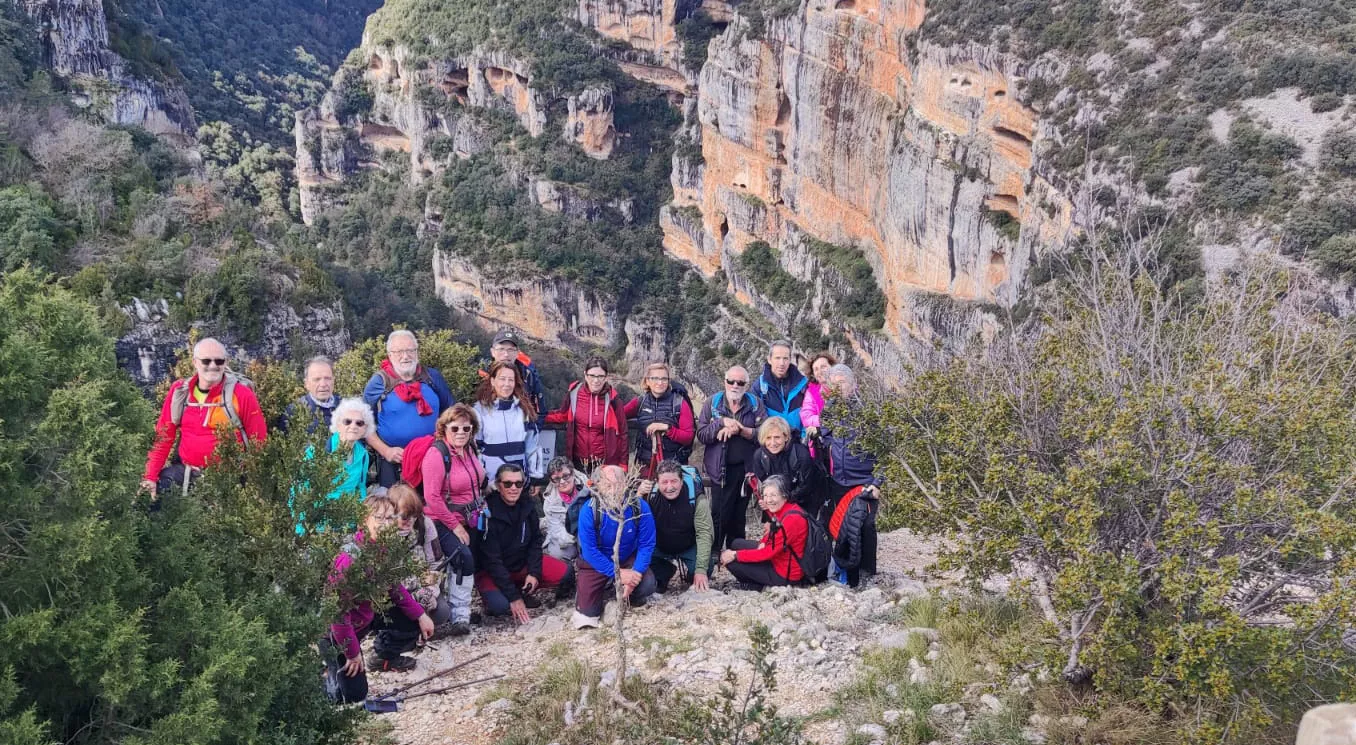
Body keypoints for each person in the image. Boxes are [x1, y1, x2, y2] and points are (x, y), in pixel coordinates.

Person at [324, 494, 436, 702]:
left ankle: (385, 656)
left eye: (389, 518)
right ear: (363, 522)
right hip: (336, 632)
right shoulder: (348, 559)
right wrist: (352, 652)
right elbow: (337, 615)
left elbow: (395, 589)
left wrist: (420, 615)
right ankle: (325, 672)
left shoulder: (381, 549)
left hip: (364, 618)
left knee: (413, 621)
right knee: (353, 696)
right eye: (379, 518)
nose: (385, 524)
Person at [141, 337, 268, 501]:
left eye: (219, 361)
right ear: (195, 362)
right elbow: (164, 436)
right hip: (186, 473)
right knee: (158, 499)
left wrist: (256, 485)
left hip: (228, 479)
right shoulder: (180, 392)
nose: (213, 366)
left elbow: (259, 440)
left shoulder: (241, 394)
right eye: (206, 361)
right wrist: (150, 476)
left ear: (226, 362)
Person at [475, 464, 573, 623]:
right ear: (499, 485)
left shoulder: (527, 505)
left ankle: (521, 588)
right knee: (500, 607)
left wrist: (534, 573)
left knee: (566, 574)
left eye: (518, 483)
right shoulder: (488, 512)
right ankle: (511, 594)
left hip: (521, 564)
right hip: (492, 571)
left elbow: (535, 541)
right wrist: (513, 597)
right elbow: (492, 561)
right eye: (508, 484)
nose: (513, 488)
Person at [420, 403, 485, 636]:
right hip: (440, 520)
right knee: (462, 559)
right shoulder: (437, 454)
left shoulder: (469, 450)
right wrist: (455, 526)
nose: (461, 433)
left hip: (471, 517)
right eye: (455, 428)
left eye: (466, 428)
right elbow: (432, 497)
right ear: (444, 428)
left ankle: (467, 607)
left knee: (476, 557)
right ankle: (460, 616)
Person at [364, 330, 456, 487]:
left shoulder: (432, 377)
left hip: (431, 455)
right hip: (394, 461)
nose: (405, 356)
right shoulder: (379, 382)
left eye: (410, 350)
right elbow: (363, 424)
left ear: (417, 352)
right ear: (390, 355)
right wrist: (386, 451)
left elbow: (452, 414)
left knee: (431, 505)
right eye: (399, 351)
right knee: (396, 509)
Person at [573, 465, 657, 629]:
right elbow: (589, 551)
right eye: (607, 485)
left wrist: (636, 574)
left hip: (626, 556)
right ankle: (599, 588)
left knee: (647, 584)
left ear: (626, 483)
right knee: (588, 613)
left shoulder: (638, 507)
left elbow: (646, 543)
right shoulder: (589, 510)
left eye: (618, 484)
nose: (613, 491)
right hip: (596, 562)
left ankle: (626, 594)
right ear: (598, 486)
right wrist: (617, 573)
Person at [820, 364, 880, 587]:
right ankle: (847, 573)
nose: (838, 388)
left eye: (842, 383)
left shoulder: (868, 411)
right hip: (839, 480)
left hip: (864, 480)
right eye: (833, 385)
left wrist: (877, 482)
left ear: (854, 385)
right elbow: (825, 434)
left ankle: (867, 572)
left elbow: (886, 450)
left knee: (865, 525)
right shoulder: (830, 409)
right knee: (843, 526)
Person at [698, 366, 766, 552]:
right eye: (731, 381)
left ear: (746, 384)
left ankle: (737, 556)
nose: (735, 385)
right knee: (719, 513)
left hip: (745, 469)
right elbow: (702, 434)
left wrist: (741, 430)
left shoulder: (755, 404)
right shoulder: (712, 404)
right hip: (719, 468)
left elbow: (764, 434)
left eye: (741, 382)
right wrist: (721, 423)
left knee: (739, 514)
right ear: (725, 381)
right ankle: (712, 556)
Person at [293, 398, 372, 534]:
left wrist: (361, 520)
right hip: (317, 526)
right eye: (347, 421)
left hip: (348, 526)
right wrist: (301, 529)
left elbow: (360, 488)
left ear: (365, 429)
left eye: (359, 423)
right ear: (338, 424)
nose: (353, 426)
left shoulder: (363, 455)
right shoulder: (317, 452)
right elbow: (299, 491)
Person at [719, 476, 808, 591]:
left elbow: (766, 553)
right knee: (736, 543)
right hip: (780, 558)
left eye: (773, 495)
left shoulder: (791, 520)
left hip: (785, 574)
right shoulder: (786, 509)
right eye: (765, 495)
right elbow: (772, 534)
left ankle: (756, 585)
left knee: (731, 562)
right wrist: (763, 542)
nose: (768, 500)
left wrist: (735, 555)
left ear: (784, 496)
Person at [639, 460, 712, 593]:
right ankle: (665, 571)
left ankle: (692, 575)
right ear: (657, 482)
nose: (669, 487)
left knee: (707, 568)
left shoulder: (696, 497)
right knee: (645, 568)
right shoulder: (649, 495)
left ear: (682, 480)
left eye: (674, 481)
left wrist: (701, 570)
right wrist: (638, 496)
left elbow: (704, 533)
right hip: (659, 546)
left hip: (688, 545)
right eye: (664, 482)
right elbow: (634, 522)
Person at [545, 356, 628, 473]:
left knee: (600, 491)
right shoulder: (574, 392)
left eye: (600, 376)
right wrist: (537, 416)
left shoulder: (613, 399)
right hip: (577, 461)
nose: (596, 380)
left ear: (606, 377)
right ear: (585, 374)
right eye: (592, 375)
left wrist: (623, 464)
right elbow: (562, 414)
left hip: (604, 462)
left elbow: (623, 433)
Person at [391, 484, 455, 632]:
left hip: (421, 588)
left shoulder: (425, 524)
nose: (411, 521)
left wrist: (430, 590)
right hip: (395, 593)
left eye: (415, 515)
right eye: (405, 516)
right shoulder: (382, 532)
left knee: (442, 612)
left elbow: (436, 562)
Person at [472, 361, 543, 481]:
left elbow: (532, 446)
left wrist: (535, 477)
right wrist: (482, 480)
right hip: (491, 482)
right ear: (493, 381)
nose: (506, 384)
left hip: (518, 482)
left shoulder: (524, 410)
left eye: (511, 380)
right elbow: (474, 449)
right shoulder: (478, 411)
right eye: (502, 379)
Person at [623, 362, 696, 477]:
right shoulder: (640, 402)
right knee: (645, 494)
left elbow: (688, 436)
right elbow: (619, 415)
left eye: (664, 379)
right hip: (646, 467)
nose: (660, 382)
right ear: (647, 381)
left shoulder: (679, 403)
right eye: (655, 378)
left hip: (673, 468)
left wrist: (667, 428)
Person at [750, 416, 823, 523]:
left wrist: (783, 499)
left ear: (786, 437)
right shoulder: (759, 456)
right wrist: (767, 500)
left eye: (777, 437)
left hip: (804, 500)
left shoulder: (801, 455)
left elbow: (806, 486)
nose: (773, 443)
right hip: (778, 500)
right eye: (768, 438)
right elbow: (764, 483)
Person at [481, 329, 547, 426]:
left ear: (517, 353)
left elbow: (540, 409)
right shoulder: (482, 374)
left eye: (510, 350)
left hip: (522, 434)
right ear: (493, 352)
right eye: (501, 349)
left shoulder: (528, 375)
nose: (506, 354)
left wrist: (532, 430)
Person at [756, 341, 810, 439]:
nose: (782, 363)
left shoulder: (803, 384)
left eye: (785, 358)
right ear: (769, 359)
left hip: (799, 442)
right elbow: (756, 419)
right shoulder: (759, 386)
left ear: (790, 360)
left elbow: (810, 412)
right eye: (777, 358)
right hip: (773, 443)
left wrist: (804, 438)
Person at [543, 456, 590, 564]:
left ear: (573, 473)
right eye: (557, 479)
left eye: (566, 476)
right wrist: (577, 538)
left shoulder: (588, 487)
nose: (562, 481)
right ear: (551, 480)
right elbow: (557, 532)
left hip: (590, 531)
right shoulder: (549, 501)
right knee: (557, 554)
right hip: (569, 537)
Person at [279, 356, 339, 434]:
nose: (323, 384)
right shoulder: (294, 412)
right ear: (306, 384)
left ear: (333, 381)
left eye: (327, 378)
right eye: (317, 379)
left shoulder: (345, 406)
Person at [799, 351, 837, 443]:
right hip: (823, 443)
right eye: (816, 369)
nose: (820, 371)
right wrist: (824, 421)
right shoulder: (811, 393)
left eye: (823, 367)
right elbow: (806, 417)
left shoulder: (845, 385)